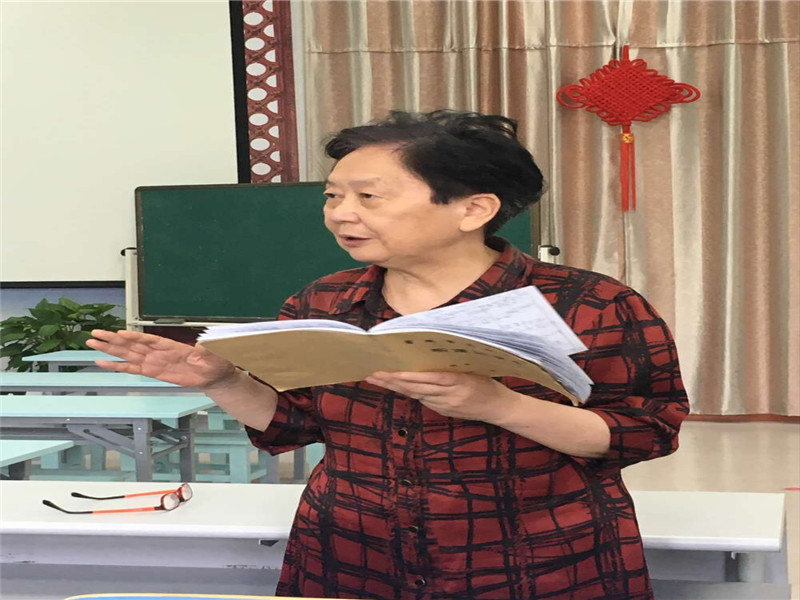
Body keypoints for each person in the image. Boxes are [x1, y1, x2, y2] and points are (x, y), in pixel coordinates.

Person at [88, 110, 689, 600]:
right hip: (350, 555)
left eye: (369, 196)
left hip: (536, 560)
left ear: (473, 209)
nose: (340, 213)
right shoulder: (323, 301)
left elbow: (647, 431)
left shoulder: (591, 303)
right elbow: (295, 422)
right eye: (332, 196)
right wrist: (221, 380)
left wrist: (498, 405)